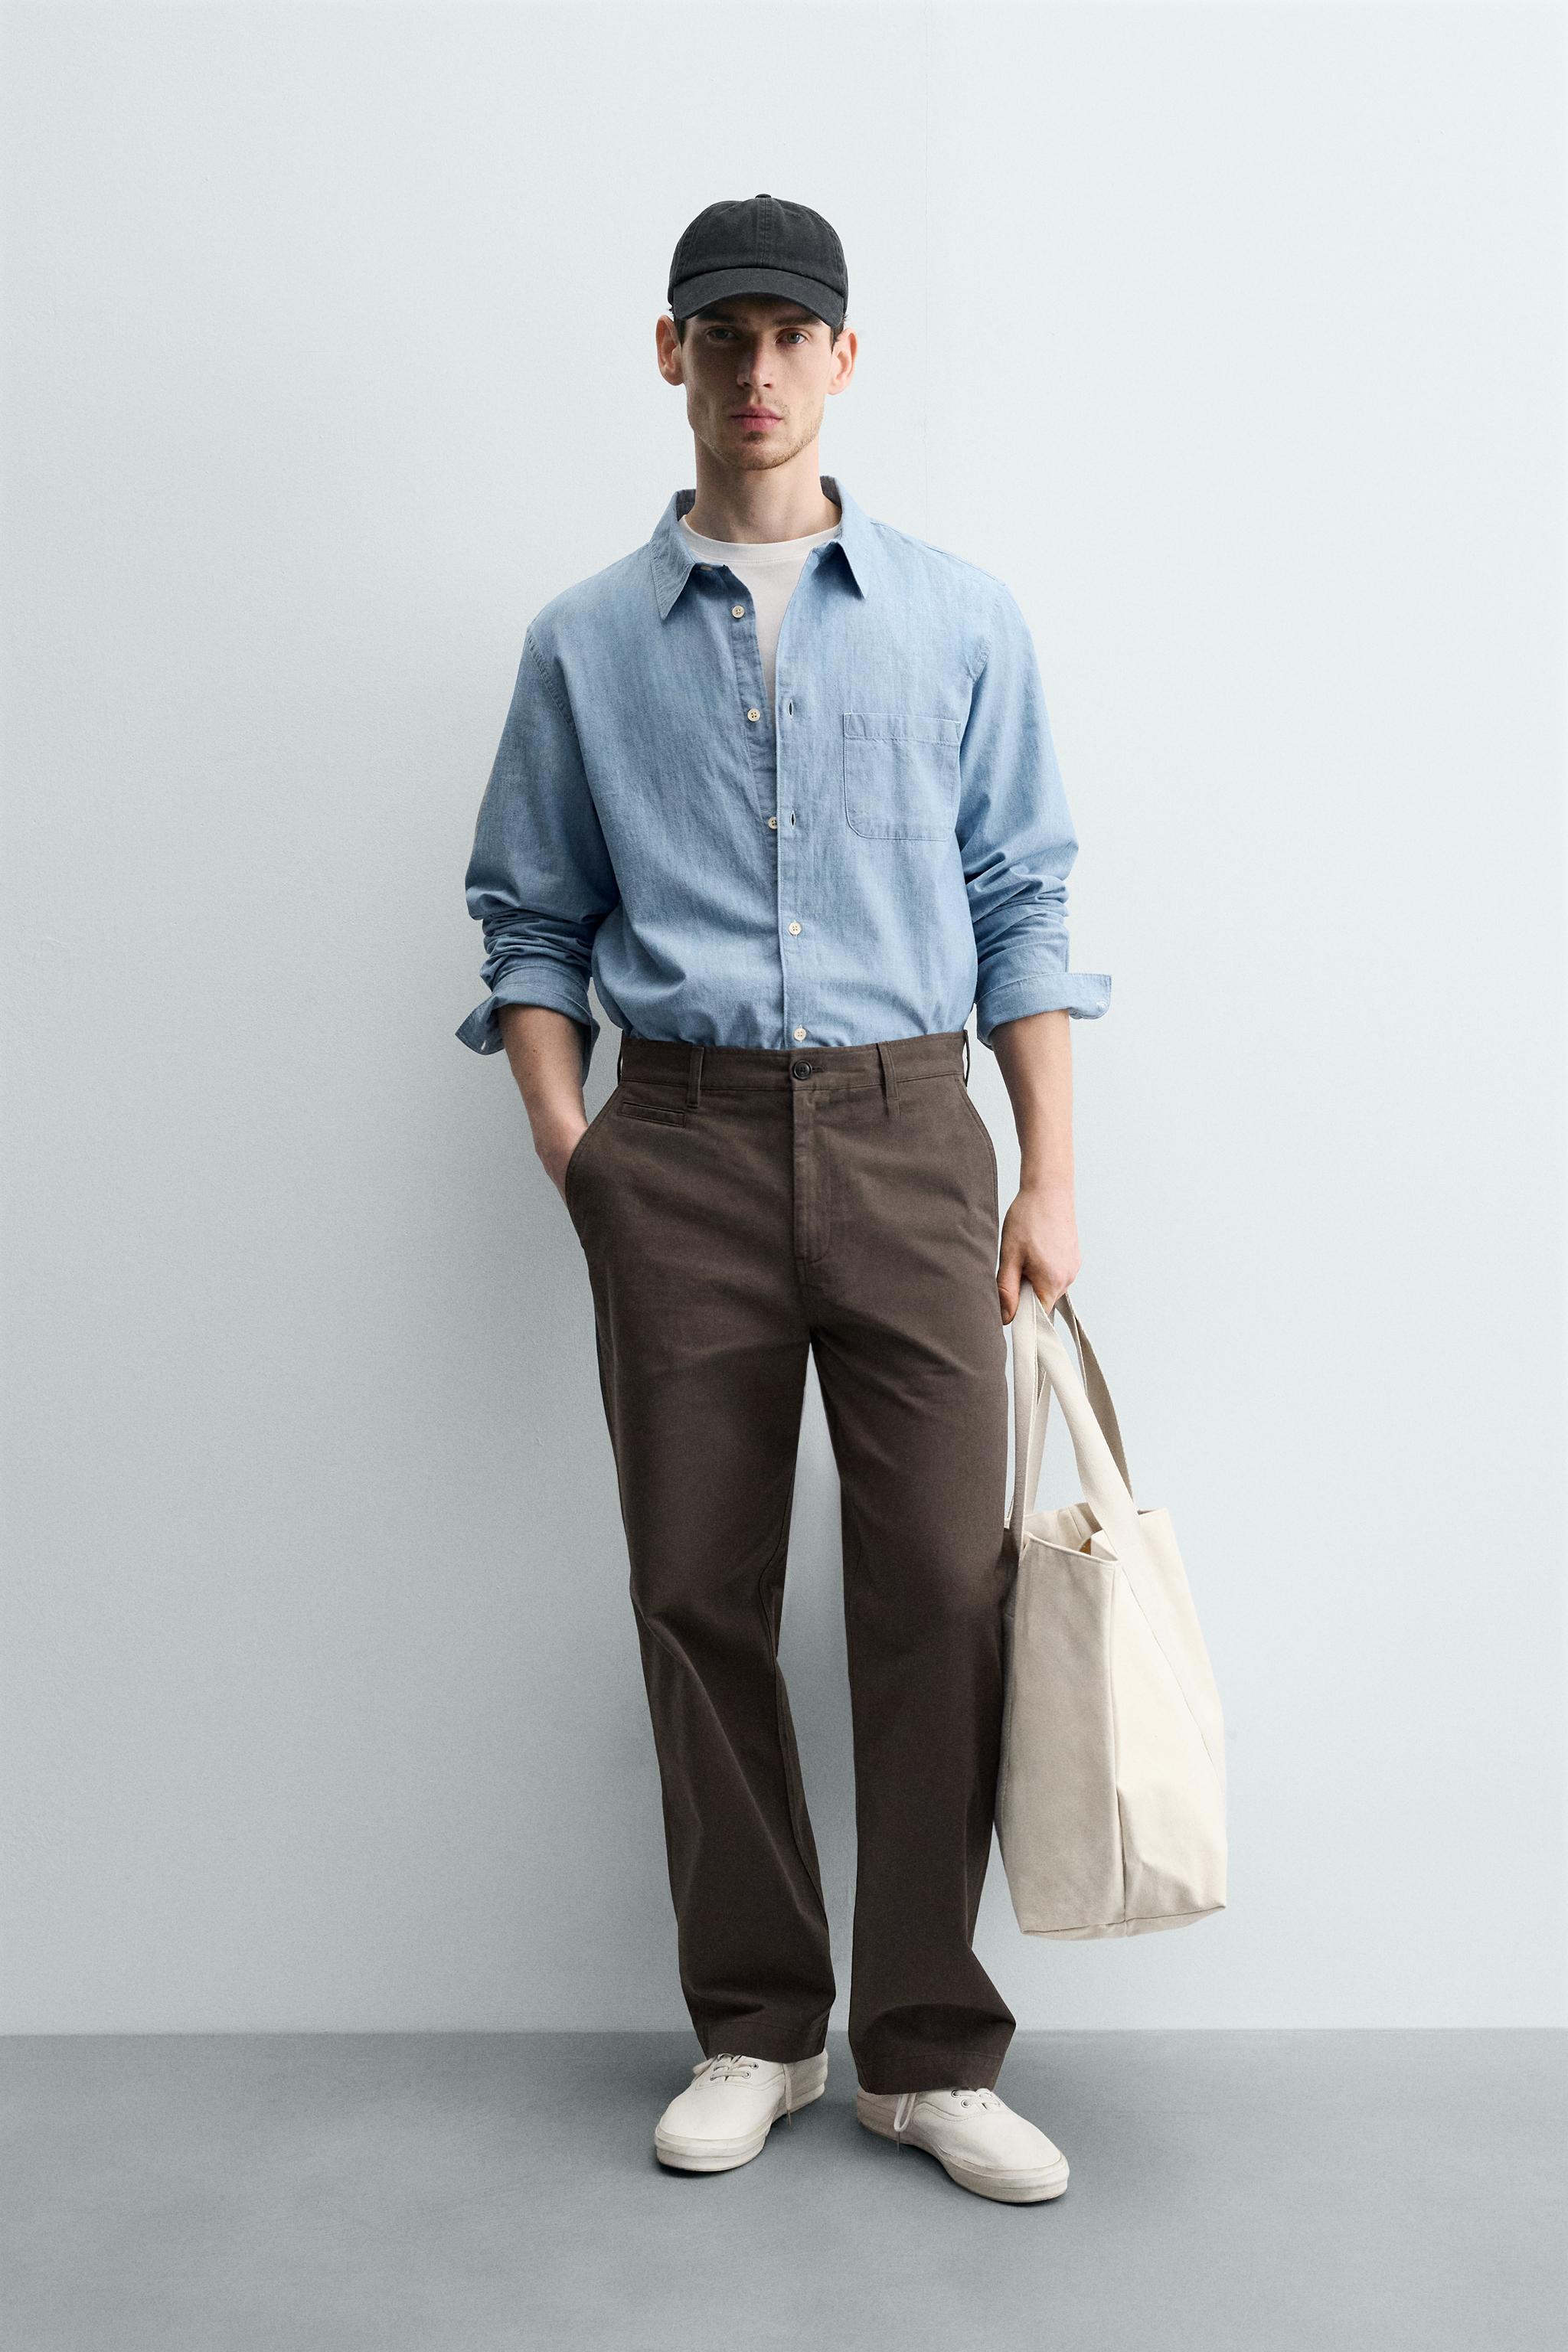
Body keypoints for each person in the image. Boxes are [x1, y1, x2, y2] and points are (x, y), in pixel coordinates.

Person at [457, 193, 1110, 2204]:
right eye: (722, 335)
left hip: (918, 1140)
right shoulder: (583, 641)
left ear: (843, 359)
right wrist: (580, 1152)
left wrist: (1051, 1171)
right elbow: (528, 921)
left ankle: (925, 2050)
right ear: (672, 354)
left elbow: (1022, 902)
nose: (758, 372)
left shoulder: (960, 619)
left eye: (791, 337)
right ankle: (758, 2026)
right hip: (681, 1148)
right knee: (695, 1589)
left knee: (943, 1592)